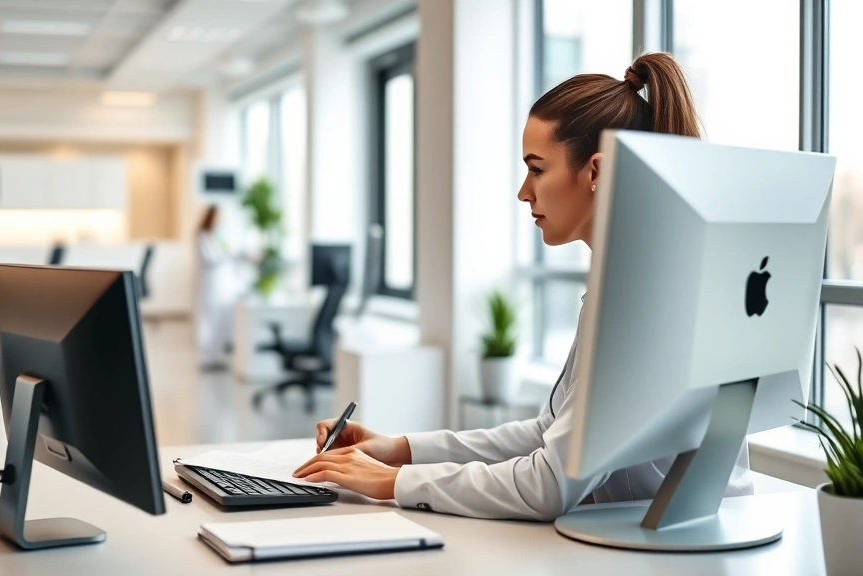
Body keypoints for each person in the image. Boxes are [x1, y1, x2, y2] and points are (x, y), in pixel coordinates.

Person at [293, 53, 753, 521]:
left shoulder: (639, 295)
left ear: (595, 172)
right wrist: (400, 450)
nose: (523, 192)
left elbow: (548, 484)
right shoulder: (639, 274)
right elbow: (551, 435)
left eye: (536, 169)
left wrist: (392, 482)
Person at [196, 205, 238, 369]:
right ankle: (207, 358)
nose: (220, 221)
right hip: (210, 285)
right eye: (217, 217)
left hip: (219, 285)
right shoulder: (202, 237)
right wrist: (229, 255)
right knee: (209, 321)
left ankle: (218, 357)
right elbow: (211, 260)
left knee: (219, 321)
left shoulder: (213, 237)